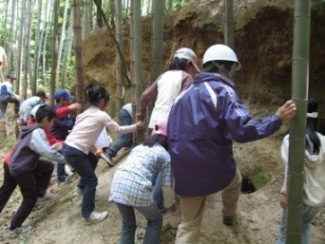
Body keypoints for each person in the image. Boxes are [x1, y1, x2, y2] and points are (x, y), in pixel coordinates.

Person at [167, 44, 297, 243]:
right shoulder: (222, 91)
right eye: (232, 68)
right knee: (235, 180)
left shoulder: (182, 96)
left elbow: (172, 133)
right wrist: (276, 119)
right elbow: (242, 130)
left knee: (189, 223)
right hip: (214, 167)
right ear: (224, 67)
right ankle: (228, 216)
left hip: (183, 170)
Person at [62, 84, 145, 224]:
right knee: (92, 180)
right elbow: (118, 130)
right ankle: (88, 214)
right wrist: (136, 126)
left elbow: (82, 135)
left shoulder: (83, 114)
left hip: (68, 147)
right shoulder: (101, 115)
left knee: (93, 161)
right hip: (76, 151)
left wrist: (95, 150)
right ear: (102, 101)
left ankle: (81, 189)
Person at [0, 104, 66, 238]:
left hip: (13, 163)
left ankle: (40, 193)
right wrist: (68, 159)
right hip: (20, 168)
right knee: (30, 199)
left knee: (46, 167)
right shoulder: (38, 131)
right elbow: (46, 152)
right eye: (52, 121)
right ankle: (14, 228)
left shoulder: (32, 127)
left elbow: (45, 148)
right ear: (46, 119)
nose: (53, 125)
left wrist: (56, 148)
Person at [109, 121, 175, 244]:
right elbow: (167, 186)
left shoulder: (138, 147)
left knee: (128, 224)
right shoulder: (165, 155)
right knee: (155, 220)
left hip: (117, 183)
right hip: (136, 187)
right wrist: (170, 203)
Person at [277, 98, 325, 244]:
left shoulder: (291, 140)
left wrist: (285, 192)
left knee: (285, 235)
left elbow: (290, 169)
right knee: (303, 227)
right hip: (317, 199)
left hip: (298, 197)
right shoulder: (323, 140)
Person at [137, 47, 200, 136]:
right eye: (192, 68)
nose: (192, 71)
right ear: (189, 64)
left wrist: (141, 116)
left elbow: (145, 96)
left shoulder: (163, 76)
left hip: (154, 124)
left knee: (154, 149)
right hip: (172, 126)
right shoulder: (187, 77)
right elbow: (184, 101)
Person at [50, 89, 81, 184]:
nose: (69, 102)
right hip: (56, 139)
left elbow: (69, 119)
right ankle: (61, 177)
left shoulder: (62, 109)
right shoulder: (57, 111)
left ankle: (71, 169)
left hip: (62, 136)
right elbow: (67, 124)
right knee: (62, 156)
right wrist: (78, 122)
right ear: (62, 99)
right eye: (67, 99)